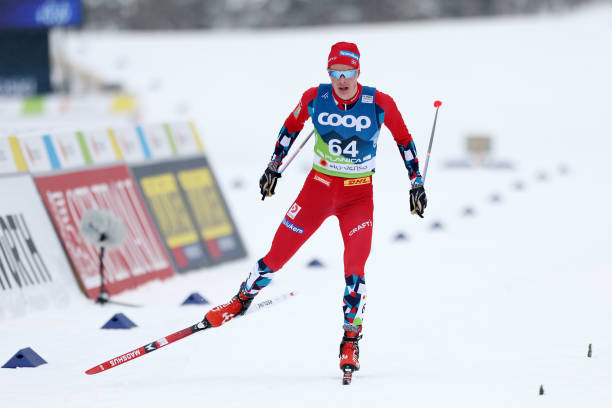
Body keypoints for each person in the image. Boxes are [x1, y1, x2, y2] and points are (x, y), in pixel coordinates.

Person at [204, 42, 427, 375]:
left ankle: (350, 341)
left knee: (354, 269)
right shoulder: (314, 97)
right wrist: (273, 167)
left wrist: (416, 184)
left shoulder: (380, 103)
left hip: (357, 197)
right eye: (335, 72)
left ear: (358, 72)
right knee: (276, 256)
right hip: (317, 191)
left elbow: (404, 140)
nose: (341, 79)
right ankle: (240, 300)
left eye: (348, 72)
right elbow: (290, 128)